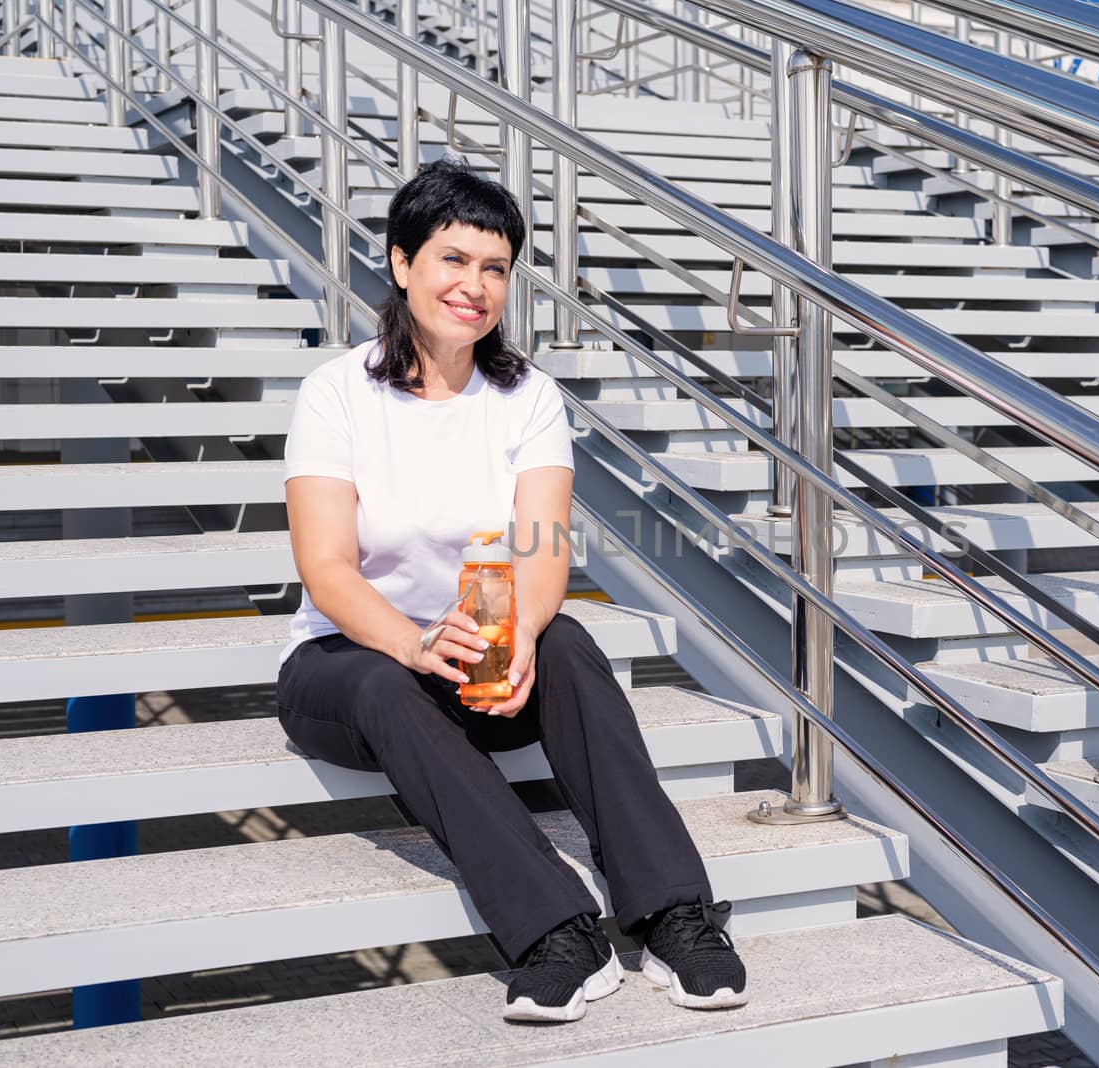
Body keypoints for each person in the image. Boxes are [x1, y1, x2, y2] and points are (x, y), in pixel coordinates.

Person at [274, 158, 748, 1023]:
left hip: (481, 657)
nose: (474, 286)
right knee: (384, 679)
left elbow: (542, 550)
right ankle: (554, 932)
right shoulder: (335, 394)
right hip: (351, 663)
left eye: (494, 268)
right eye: (452, 260)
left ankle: (676, 915)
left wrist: (520, 633)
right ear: (401, 262)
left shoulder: (525, 396)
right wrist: (415, 643)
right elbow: (329, 568)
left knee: (567, 639)